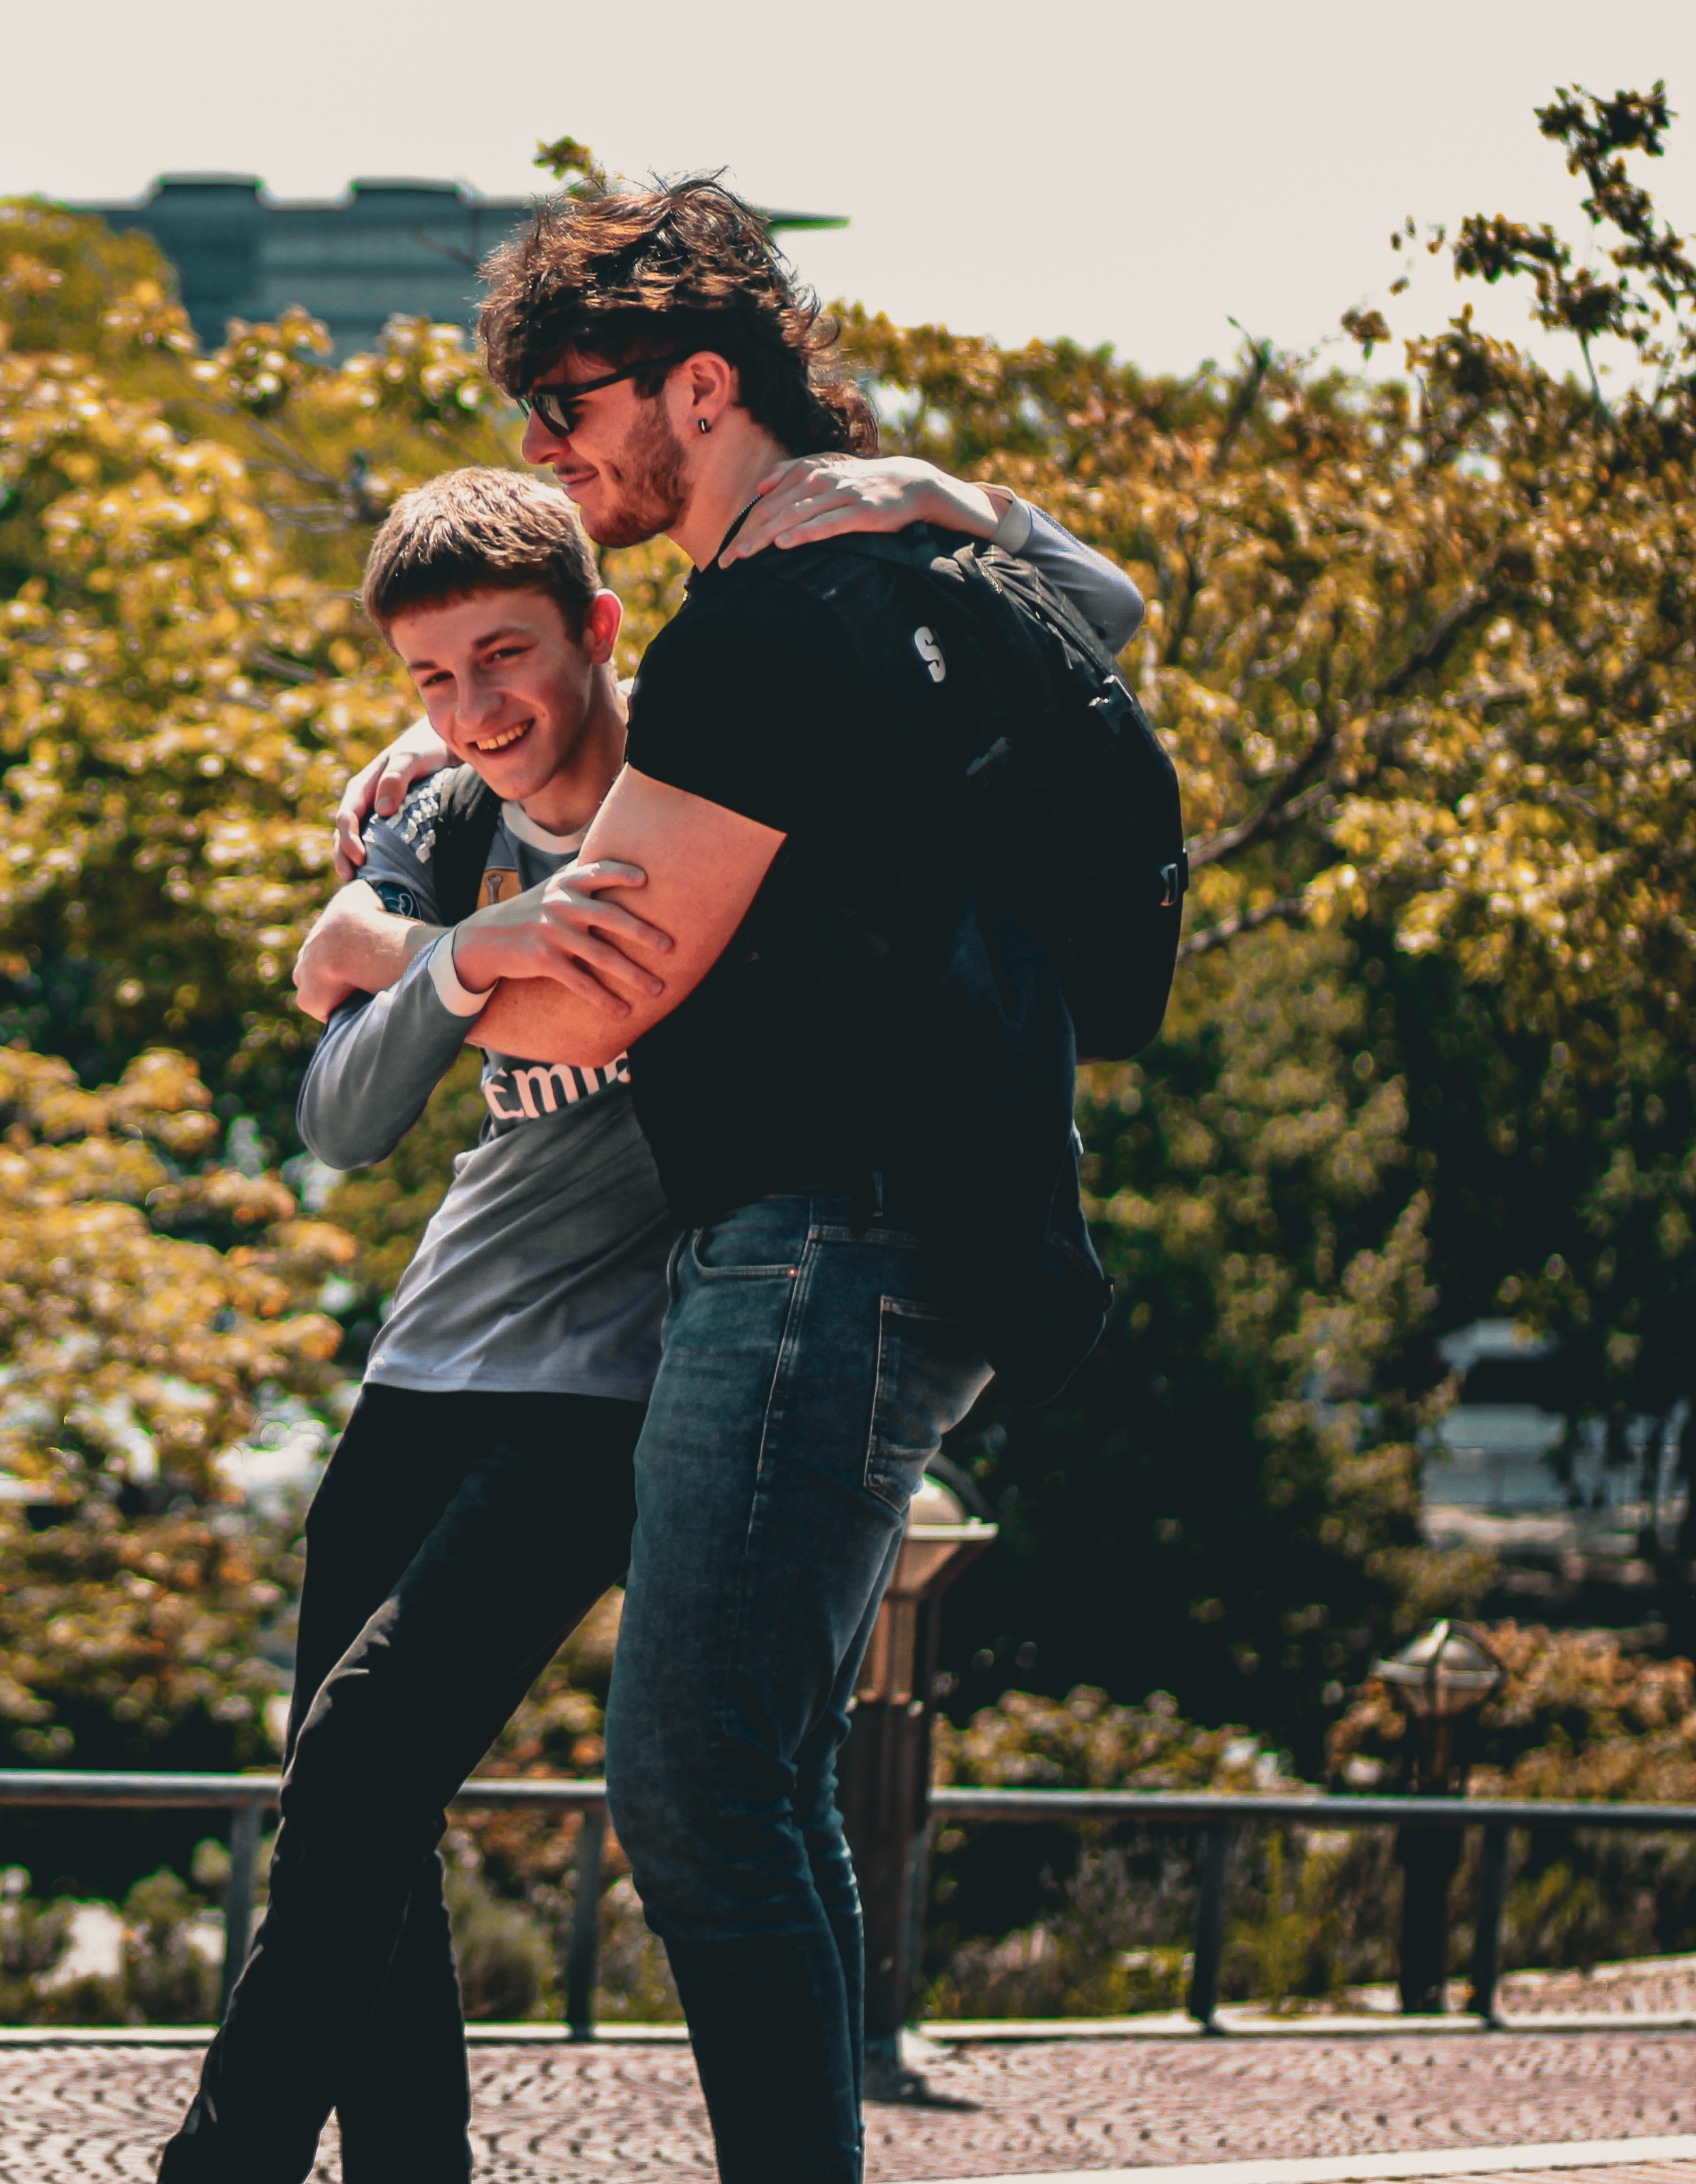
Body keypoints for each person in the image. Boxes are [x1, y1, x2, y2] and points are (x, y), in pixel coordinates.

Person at [164, 451, 1143, 2184]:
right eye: (432, 678)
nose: (475, 705)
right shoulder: (450, 820)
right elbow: (340, 1113)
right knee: (353, 1798)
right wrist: (469, 952)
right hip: (432, 1354)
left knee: (382, 1747)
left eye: (508, 657)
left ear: (602, 627)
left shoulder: (730, 781)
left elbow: (1091, 623)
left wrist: (949, 494)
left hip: (621, 1378)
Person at [428, 177, 1119, 2183]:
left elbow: (578, 1014)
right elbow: (1117, 605)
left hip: (822, 1242)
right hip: (927, 1235)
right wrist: (937, 487)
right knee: (766, 1777)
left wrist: (423, 959)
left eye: (569, 407)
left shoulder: (760, 634)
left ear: (698, 382)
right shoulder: (916, 576)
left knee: (700, 1787)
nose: (549, 458)